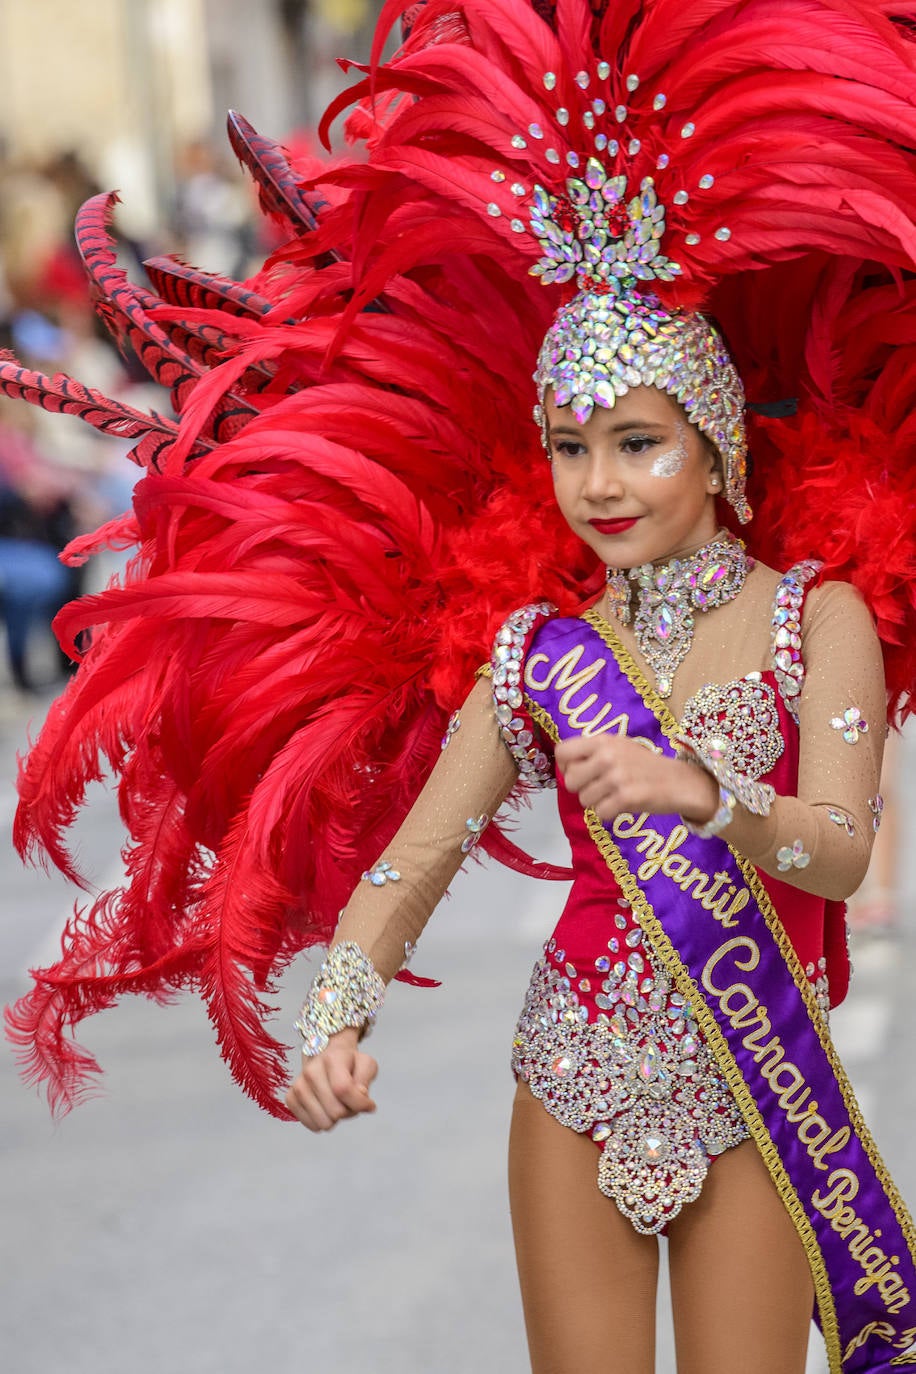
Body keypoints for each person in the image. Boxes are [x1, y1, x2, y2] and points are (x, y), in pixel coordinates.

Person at [4, 3, 916, 1372]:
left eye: (638, 443)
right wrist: (335, 1019)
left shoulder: (815, 618)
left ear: (718, 443)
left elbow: (840, 854)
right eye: (570, 447)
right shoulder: (540, 652)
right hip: (570, 1080)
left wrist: (703, 793)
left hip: (756, 1090)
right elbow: (417, 857)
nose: (600, 483)